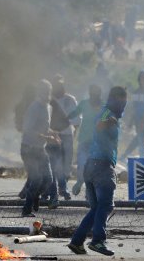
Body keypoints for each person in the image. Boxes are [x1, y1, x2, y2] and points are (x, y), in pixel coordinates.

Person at [67, 86, 127, 257]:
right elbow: (100, 125)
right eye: (122, 99)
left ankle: (77, 242)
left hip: (91, 166)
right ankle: (98, 241)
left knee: (96, 209)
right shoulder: (107, 112)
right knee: (106, 205)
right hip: (101, 166)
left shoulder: (107, 111)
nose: (124, 103)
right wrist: (109, 122)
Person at [20, 80, 56, 217]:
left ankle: (35, 196)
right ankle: (26, 210)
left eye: (48, 90)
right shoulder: (34, 107)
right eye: (43, 90)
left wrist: (53, 133)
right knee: (35, 179)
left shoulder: (48, 107)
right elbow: (28, 129)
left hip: (40, 149)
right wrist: (45, 137)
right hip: (29, 149)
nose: (46, 93)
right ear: (39, 92)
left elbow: (44, 127)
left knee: (48, 179)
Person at [46, 76, 78, 206]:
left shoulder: (70, 99)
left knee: (65, 163)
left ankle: (63, 188)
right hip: (54, 137)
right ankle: (61, 189)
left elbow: (76, 120)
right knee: (56, 164)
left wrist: (74, 134)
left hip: (67, 134)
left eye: (60, 85)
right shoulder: (49, 101)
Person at [68, 84, 104, 196]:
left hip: (97, 142)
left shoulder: (104, 106)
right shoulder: (84, 103)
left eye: (96, 93)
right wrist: (64, 118)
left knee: (93, 168)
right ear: (89, 94)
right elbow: (75, 113)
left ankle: (90, 193)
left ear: (99, 94)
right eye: (92, 93)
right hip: (84, 139)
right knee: (82, 165)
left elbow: (108, 118)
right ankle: (79, 182)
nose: (94, 96)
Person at [119, 71, 144, 162]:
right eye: (141, 78)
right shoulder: (136, 93)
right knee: (141, 142)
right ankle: (143, 161)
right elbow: (134, 109)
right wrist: (131, 123)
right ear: (139, 80)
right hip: (138, 121)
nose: (143, 80)